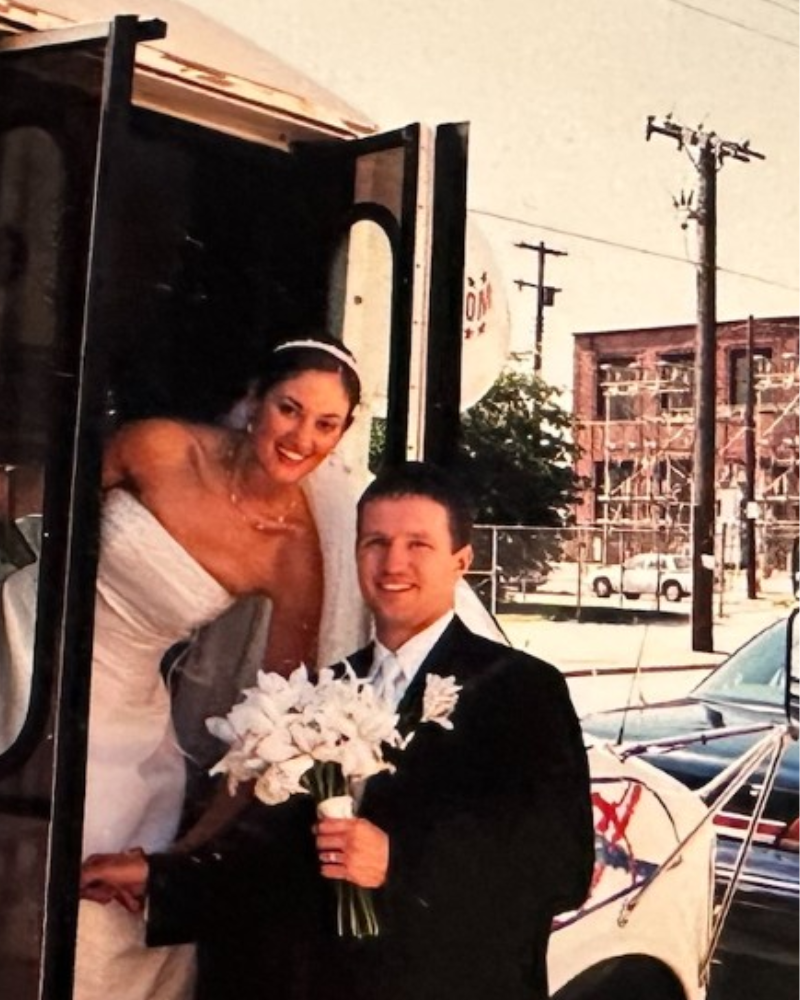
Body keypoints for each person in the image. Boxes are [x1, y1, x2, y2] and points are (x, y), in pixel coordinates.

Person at [81, 461, 594, 1000]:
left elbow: (560, 865)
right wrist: (161, 884)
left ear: (460, 562)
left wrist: (400, 861)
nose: (393, 562)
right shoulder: (327, 686)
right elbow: (283, 859)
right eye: (376, 541)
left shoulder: (522, 689)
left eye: (418, 544)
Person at [63, 334, 370, 1000]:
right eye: (290, 409)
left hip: (122, 719)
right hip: (26, 633)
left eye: (326, 424)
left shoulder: (295, 556)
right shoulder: (160, 446)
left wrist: (181, 857)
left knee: (92, 918)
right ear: (255, 401)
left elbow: (273, 727)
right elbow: (38, 512)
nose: (301, 437)